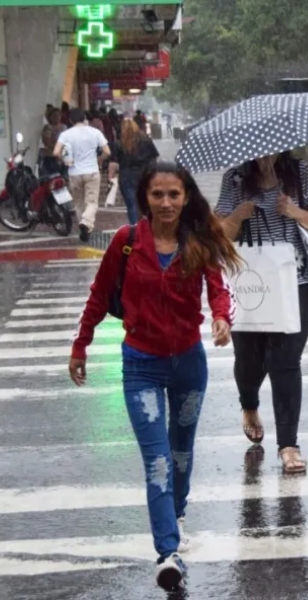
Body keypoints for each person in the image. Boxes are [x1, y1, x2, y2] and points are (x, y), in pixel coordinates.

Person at [68, 162, 240, 591]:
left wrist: (221, 318)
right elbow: (99, 293)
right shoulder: (127, 243)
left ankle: (175, 511)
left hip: (188, 363)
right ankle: (168, 551)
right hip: (141, 364)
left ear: (185, 198)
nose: (166, 203)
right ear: (145, 197)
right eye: (157, 195)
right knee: (158, 460)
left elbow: (217, 288)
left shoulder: (197, 241)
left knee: (181, 453)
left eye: (174, 195)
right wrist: (81, 344)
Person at [216, 151, 308, 474]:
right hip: (251, 281)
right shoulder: (235, 178)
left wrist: (293, 211)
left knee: (285, 360)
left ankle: (289, 445)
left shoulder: (299, 172)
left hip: (297, 281)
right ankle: (249, 404)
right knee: (249, 360)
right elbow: (220, 232)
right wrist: (238, 215)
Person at [53, 108, 111, 242]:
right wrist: (99, 160)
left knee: (78, 204)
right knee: (91, 202)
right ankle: (86, 224)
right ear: (84, 118)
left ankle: (84, 228)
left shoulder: (66, 134)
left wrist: (65, 161)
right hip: (91, 171)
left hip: (74, 173)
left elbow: (56, 152)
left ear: (71, 120)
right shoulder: (95, 132)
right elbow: (107, 152)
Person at [110, 118, 160, 225]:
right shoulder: (146, 141)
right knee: (145, 201)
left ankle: (134, 227)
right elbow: (154, 158)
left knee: (131, 204)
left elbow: (114, 162)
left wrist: (111, 176)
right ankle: (147, 225)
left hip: (126, 176)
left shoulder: (119, 144)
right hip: (144, 174)